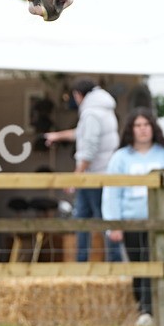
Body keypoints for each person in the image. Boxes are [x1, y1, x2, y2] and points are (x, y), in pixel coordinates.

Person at [102, 109, 164, 326]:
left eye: (146, 125)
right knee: (138, 266)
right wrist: (114, 223)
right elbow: (112, 191)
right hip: (132, 221)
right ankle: (144, 310)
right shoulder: (120, 158)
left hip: (161, 223)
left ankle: (157, 310)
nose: (142, 129)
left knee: (157, 265)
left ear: (153, 127)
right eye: (137, 125)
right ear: (131, 129)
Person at [44, 78, 121, 262]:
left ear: (79, 95)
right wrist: (57, 136)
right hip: (102, 175)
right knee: (86, 219)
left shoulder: (91, 113)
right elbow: (81, 133)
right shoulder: (102, 109)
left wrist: (75, 178)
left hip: (95, 177)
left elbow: (89, 149)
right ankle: (89, 263)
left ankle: (108, 263)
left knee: (99, 221)